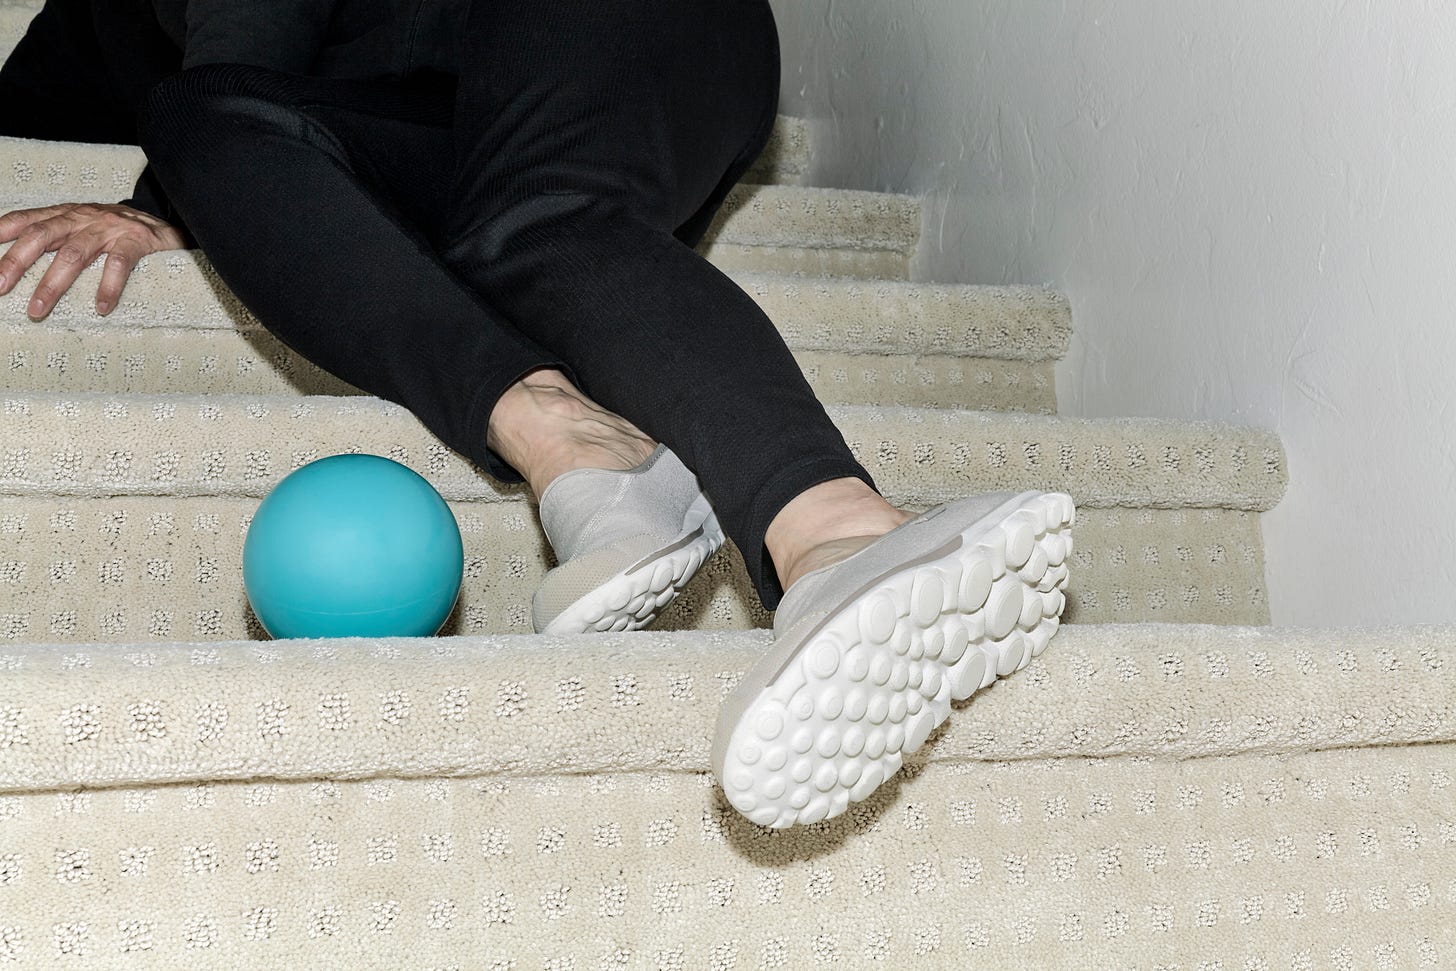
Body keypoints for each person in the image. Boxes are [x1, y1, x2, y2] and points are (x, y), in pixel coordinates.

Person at [0, 0, 1073, 829]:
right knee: (202, 120)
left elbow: (255, 23)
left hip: (604, 34)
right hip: (445, 134)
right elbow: (54, 102)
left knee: (532, 219)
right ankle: (575, 440)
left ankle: (839, 533)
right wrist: (170, 183)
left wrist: (151, 206)